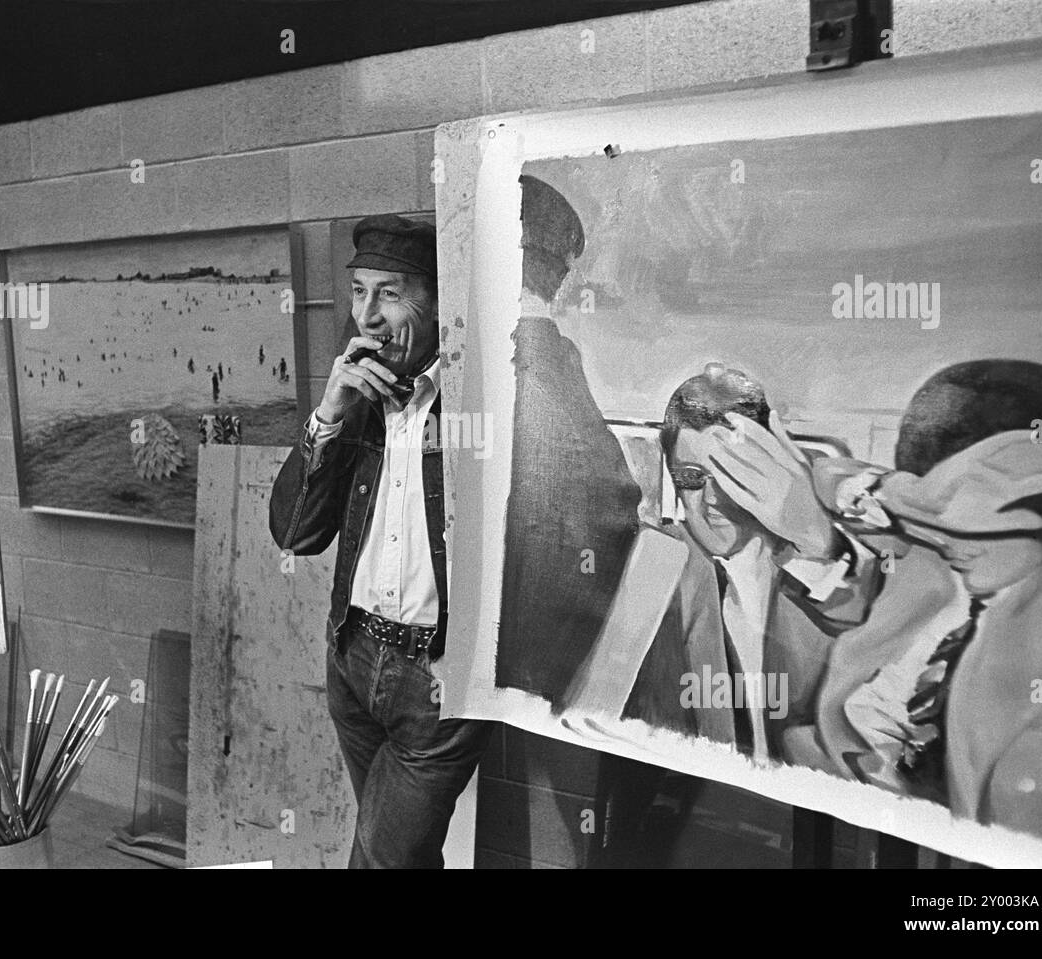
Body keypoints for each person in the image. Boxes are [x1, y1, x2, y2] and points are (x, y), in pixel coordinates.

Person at [268, 214, 491, 868]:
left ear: (437, 300)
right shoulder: (358, 395)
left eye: (389, 293)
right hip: (352, 657)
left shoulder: (483, 403)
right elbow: (295, 533)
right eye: (359, 291)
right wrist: (328, 413)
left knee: (380, 859)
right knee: (405, 857)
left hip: (439, 680)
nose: (367, 313)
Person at [794, 360, 1042, 846]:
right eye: (930, 508)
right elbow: (829, 474)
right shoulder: (931, 566)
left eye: (976, 514)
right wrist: (897, 495)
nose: (950, 536)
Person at [617, 366, 883, 759]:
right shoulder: (658, 563)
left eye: (731, 474)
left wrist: (817, 541)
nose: (712, 500)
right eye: (692, 477)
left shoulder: (822, 570)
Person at [495, 175, 644, 710]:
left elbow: (599, 502)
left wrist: (522, 673)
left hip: (518, 665)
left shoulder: (528, 360)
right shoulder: (552, 357)